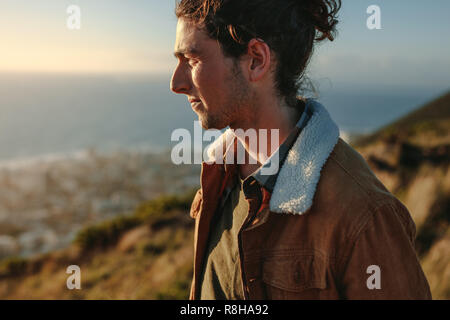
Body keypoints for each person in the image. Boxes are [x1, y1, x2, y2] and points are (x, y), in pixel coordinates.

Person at [170, 0, 431, 300]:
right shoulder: (218, 178)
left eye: (191, 59)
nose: (176, 83)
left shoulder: (365, 215)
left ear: (255, 59)